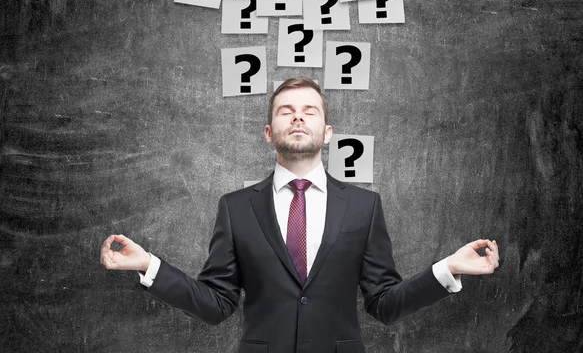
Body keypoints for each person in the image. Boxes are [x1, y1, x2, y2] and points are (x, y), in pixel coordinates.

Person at [100, 76, 499, 353]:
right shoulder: (236, 207)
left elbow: (385, 304)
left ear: (327, 132)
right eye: (286, 111)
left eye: (310, 110)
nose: (297, 117)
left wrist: (448, 269)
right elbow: (215, 305)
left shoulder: (364, 207)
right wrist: (148, 265)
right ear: (269, 132)